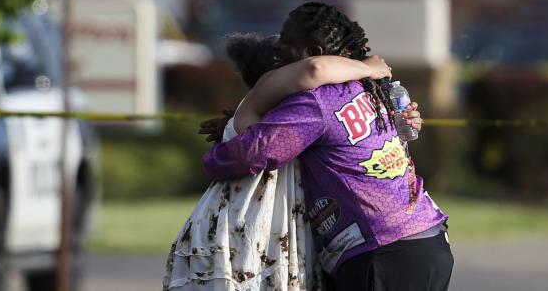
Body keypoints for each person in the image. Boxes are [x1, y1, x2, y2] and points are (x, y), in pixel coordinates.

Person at [203, 2, 451, 291]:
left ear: (312, 54)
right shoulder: (370, 87)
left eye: (285, 42)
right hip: (428, 239)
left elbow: (255, 152)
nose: (276, 50)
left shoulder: (316, 101)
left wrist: (216, 155)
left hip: (381, 252)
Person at [163, 31, 394, 291]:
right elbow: (316, 68)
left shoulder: (286, 122)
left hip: (241, 239)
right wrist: (367, 67)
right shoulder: (264, 118)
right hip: (245, 243)